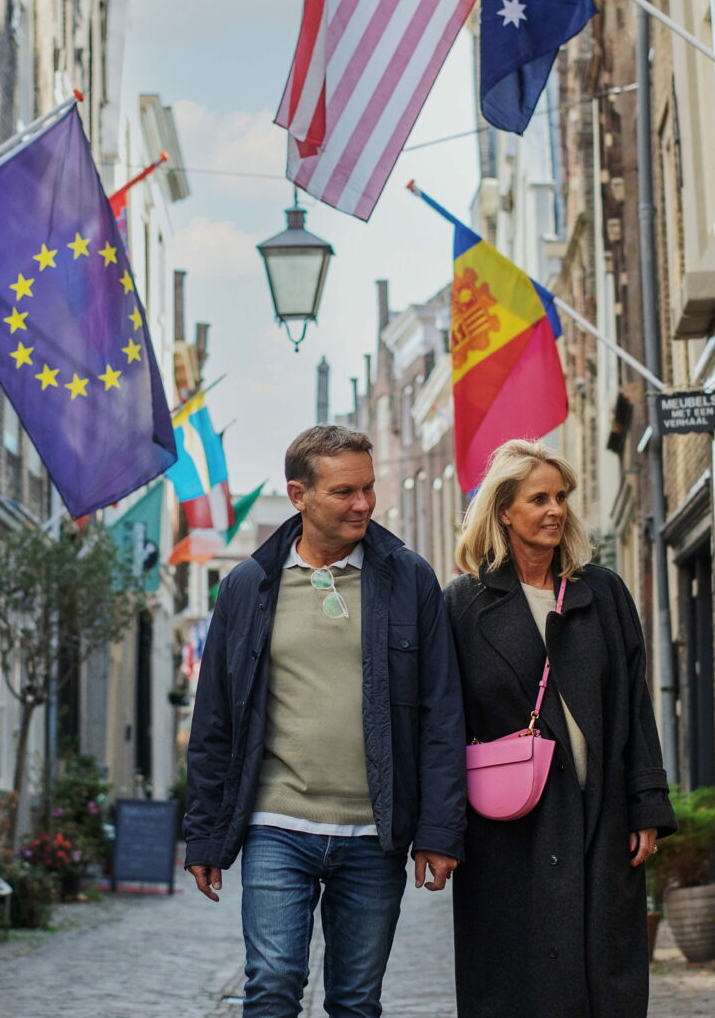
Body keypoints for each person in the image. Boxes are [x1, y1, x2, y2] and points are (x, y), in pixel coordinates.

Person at [184, 425, 466, 1018]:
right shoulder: (246, 586)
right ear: (299, 495)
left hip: (375, 833)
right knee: (273, 984)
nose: (362, 504)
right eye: (343, 492)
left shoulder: (409, 580)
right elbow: (215, 721)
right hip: (276, 825)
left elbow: (443, 713)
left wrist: (438, 832)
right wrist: (206, 834)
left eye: (368, 488)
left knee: (357, 1000)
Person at [443, 439, 676, 1018]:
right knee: (515, 980)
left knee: (607, 976)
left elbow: (634, 704)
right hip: (508, 825)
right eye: (538, 498)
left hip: (600, 813)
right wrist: (441, 830)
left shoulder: (603, 593)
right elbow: (443, 722)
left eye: (561, 498)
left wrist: (646, 803)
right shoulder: (463, 605)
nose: (555, 510)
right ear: (503, 509)